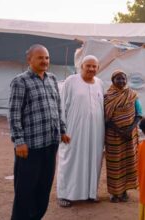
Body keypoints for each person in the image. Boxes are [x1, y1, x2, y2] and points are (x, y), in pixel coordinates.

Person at [8, 44, 70, 220]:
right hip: (30, 148)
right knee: (25, 191)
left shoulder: (52, 79)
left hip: (50, 145)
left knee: (43, 189)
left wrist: (62, 130)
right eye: (40, 57)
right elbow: (13, 114)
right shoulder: (20, 81)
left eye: (47, 58)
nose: (45, 61)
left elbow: (57, 108)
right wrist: (19, 141)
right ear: (30, 60)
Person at [56, 55, 105, 207]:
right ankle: (64, 194)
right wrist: (62, 130)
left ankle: (90, 193)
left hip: (96, 131)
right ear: (81, 67)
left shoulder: (99, 83)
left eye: (94, 66)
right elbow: (62, 106)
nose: (91, 69)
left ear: (98, 68)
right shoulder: (71, 81)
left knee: (93, 160)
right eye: (88, 66)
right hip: (73, 130)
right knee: (70, 159)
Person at [104, 70, 143, 202]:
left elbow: (139, 114)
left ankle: (124, 190)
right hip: (113, 135)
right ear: (112, 81)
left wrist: (130, 129)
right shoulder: (107, 97)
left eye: (123, 79)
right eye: (118, 79)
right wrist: (120, 132)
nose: (121, 81)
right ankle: (115, 193)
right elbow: (106, 118)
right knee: (115, 163)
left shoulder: (132, 95)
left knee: (128, 162)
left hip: (130, 135)